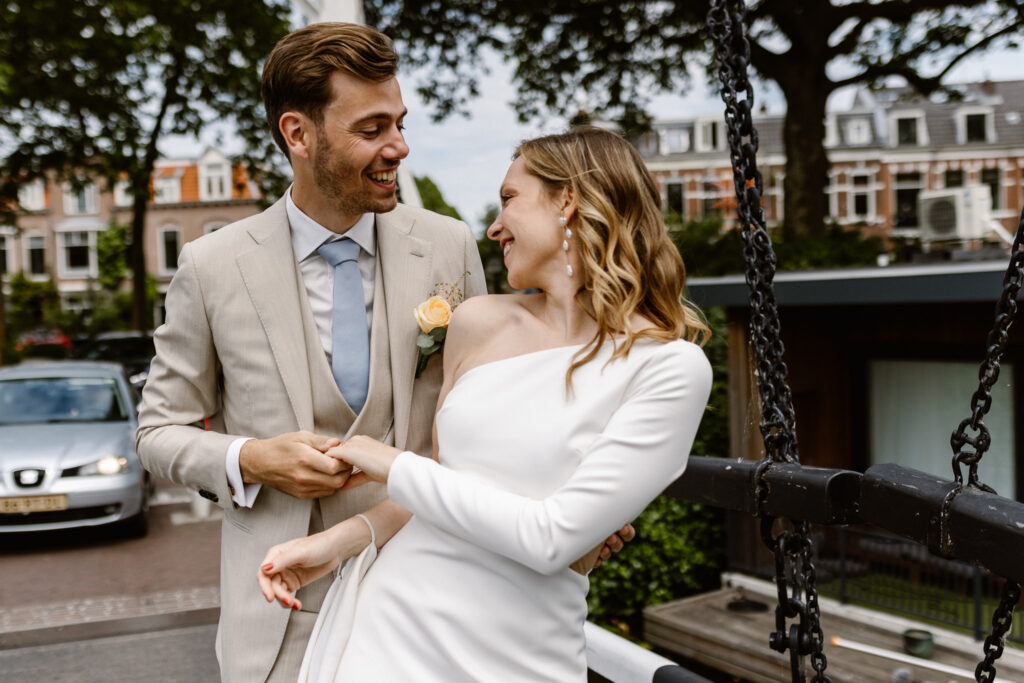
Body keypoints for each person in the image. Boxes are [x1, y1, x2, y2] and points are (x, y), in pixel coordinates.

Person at [137, 23, 627, 682]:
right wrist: (251, 457)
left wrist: (577, 498)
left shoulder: (449, 246)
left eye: (399, 123)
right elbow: (157, 431)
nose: (398, 146)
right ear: (298, 135)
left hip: (435, 604)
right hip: (281, 622)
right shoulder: (212, 265)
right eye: (372, 130)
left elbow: (498, 417)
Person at [257, 126, 714, 682]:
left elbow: (550, 539)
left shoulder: (667, 368)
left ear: (568, 200)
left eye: (508, 199)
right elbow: (441, 488)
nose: (494, 227)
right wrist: (338, 544)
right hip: (391, 630)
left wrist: (387, 461)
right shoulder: (477, 322)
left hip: (520, 648)